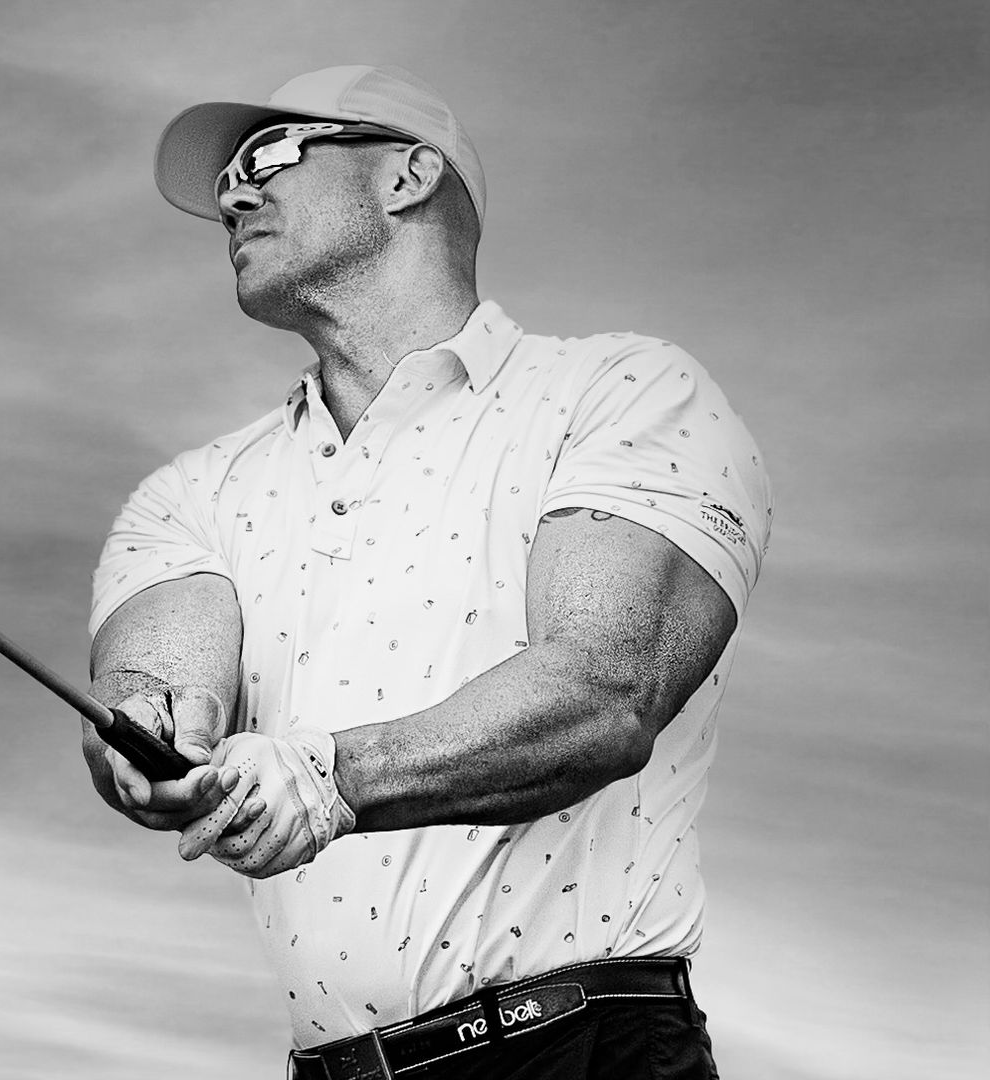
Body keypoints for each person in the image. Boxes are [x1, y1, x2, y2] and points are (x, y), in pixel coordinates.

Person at [81, 65, 771, 1079]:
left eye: (269, 155)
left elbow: (604, 693)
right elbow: (160, 677)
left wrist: (329, 773)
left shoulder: (621, 392)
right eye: (228, 176)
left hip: (584, 1052)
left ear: (407, 176)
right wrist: (147, 736)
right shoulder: (193, 493)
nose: (232, 194)